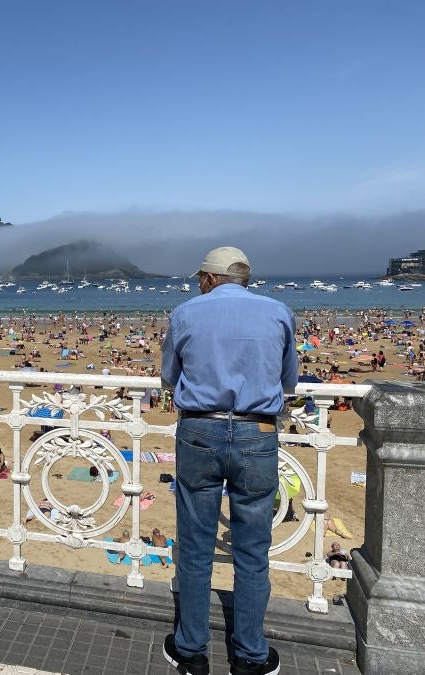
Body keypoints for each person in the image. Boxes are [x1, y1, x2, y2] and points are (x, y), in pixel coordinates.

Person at [161, 247, 296, 675]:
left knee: (196, 547)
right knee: (253, 551)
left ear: (208, 278)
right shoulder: (278, 311)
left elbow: (168, 375)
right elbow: (288, 379)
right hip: (258, 433)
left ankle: (191, 651)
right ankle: (251, 656)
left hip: (201, 429)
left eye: (199, 278)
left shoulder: (186, 313)